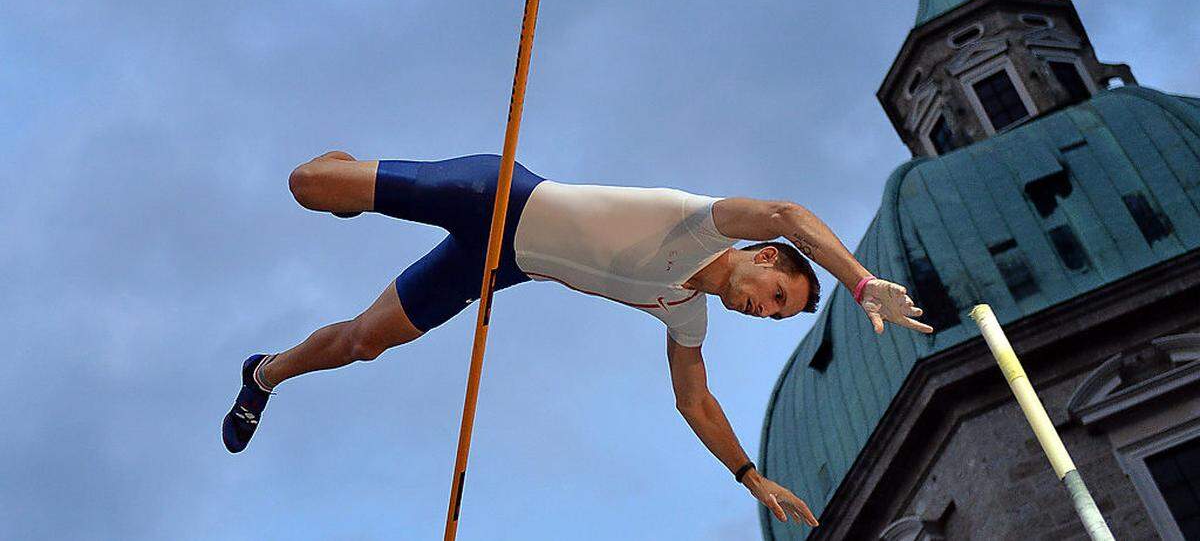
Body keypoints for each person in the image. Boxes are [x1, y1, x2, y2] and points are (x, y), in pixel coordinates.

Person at [223, 151, 931, 527]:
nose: (762, 310)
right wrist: (863, 284)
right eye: (775, 296)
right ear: (766, 255)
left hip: (497, 263)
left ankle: (263, 376)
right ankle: (353, 173)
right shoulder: (702, 225)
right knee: (308, 183)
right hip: (493, 193)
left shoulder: (687, 314)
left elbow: (695, 402)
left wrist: (751, 476)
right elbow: (787, 210)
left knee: (363, 343)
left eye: (775, 317)